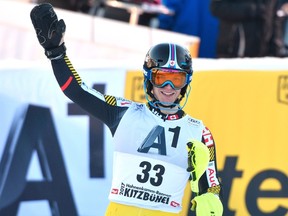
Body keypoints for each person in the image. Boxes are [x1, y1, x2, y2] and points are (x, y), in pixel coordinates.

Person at [30, 3, 223, 215]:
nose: (169, 88)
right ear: (149, 79)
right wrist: (57, 53)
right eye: (161, 78)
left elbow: (210, 191)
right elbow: (77, 91)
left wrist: (205, 195)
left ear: (186, 83)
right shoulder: (124, 113)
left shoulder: (199, 133)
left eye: (176, 79)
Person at [210, 0, 288, 58]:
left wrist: (276, 51)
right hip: (234, 52)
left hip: (264, 55)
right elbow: (217, 7)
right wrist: (252, 9)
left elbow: (275, 18)